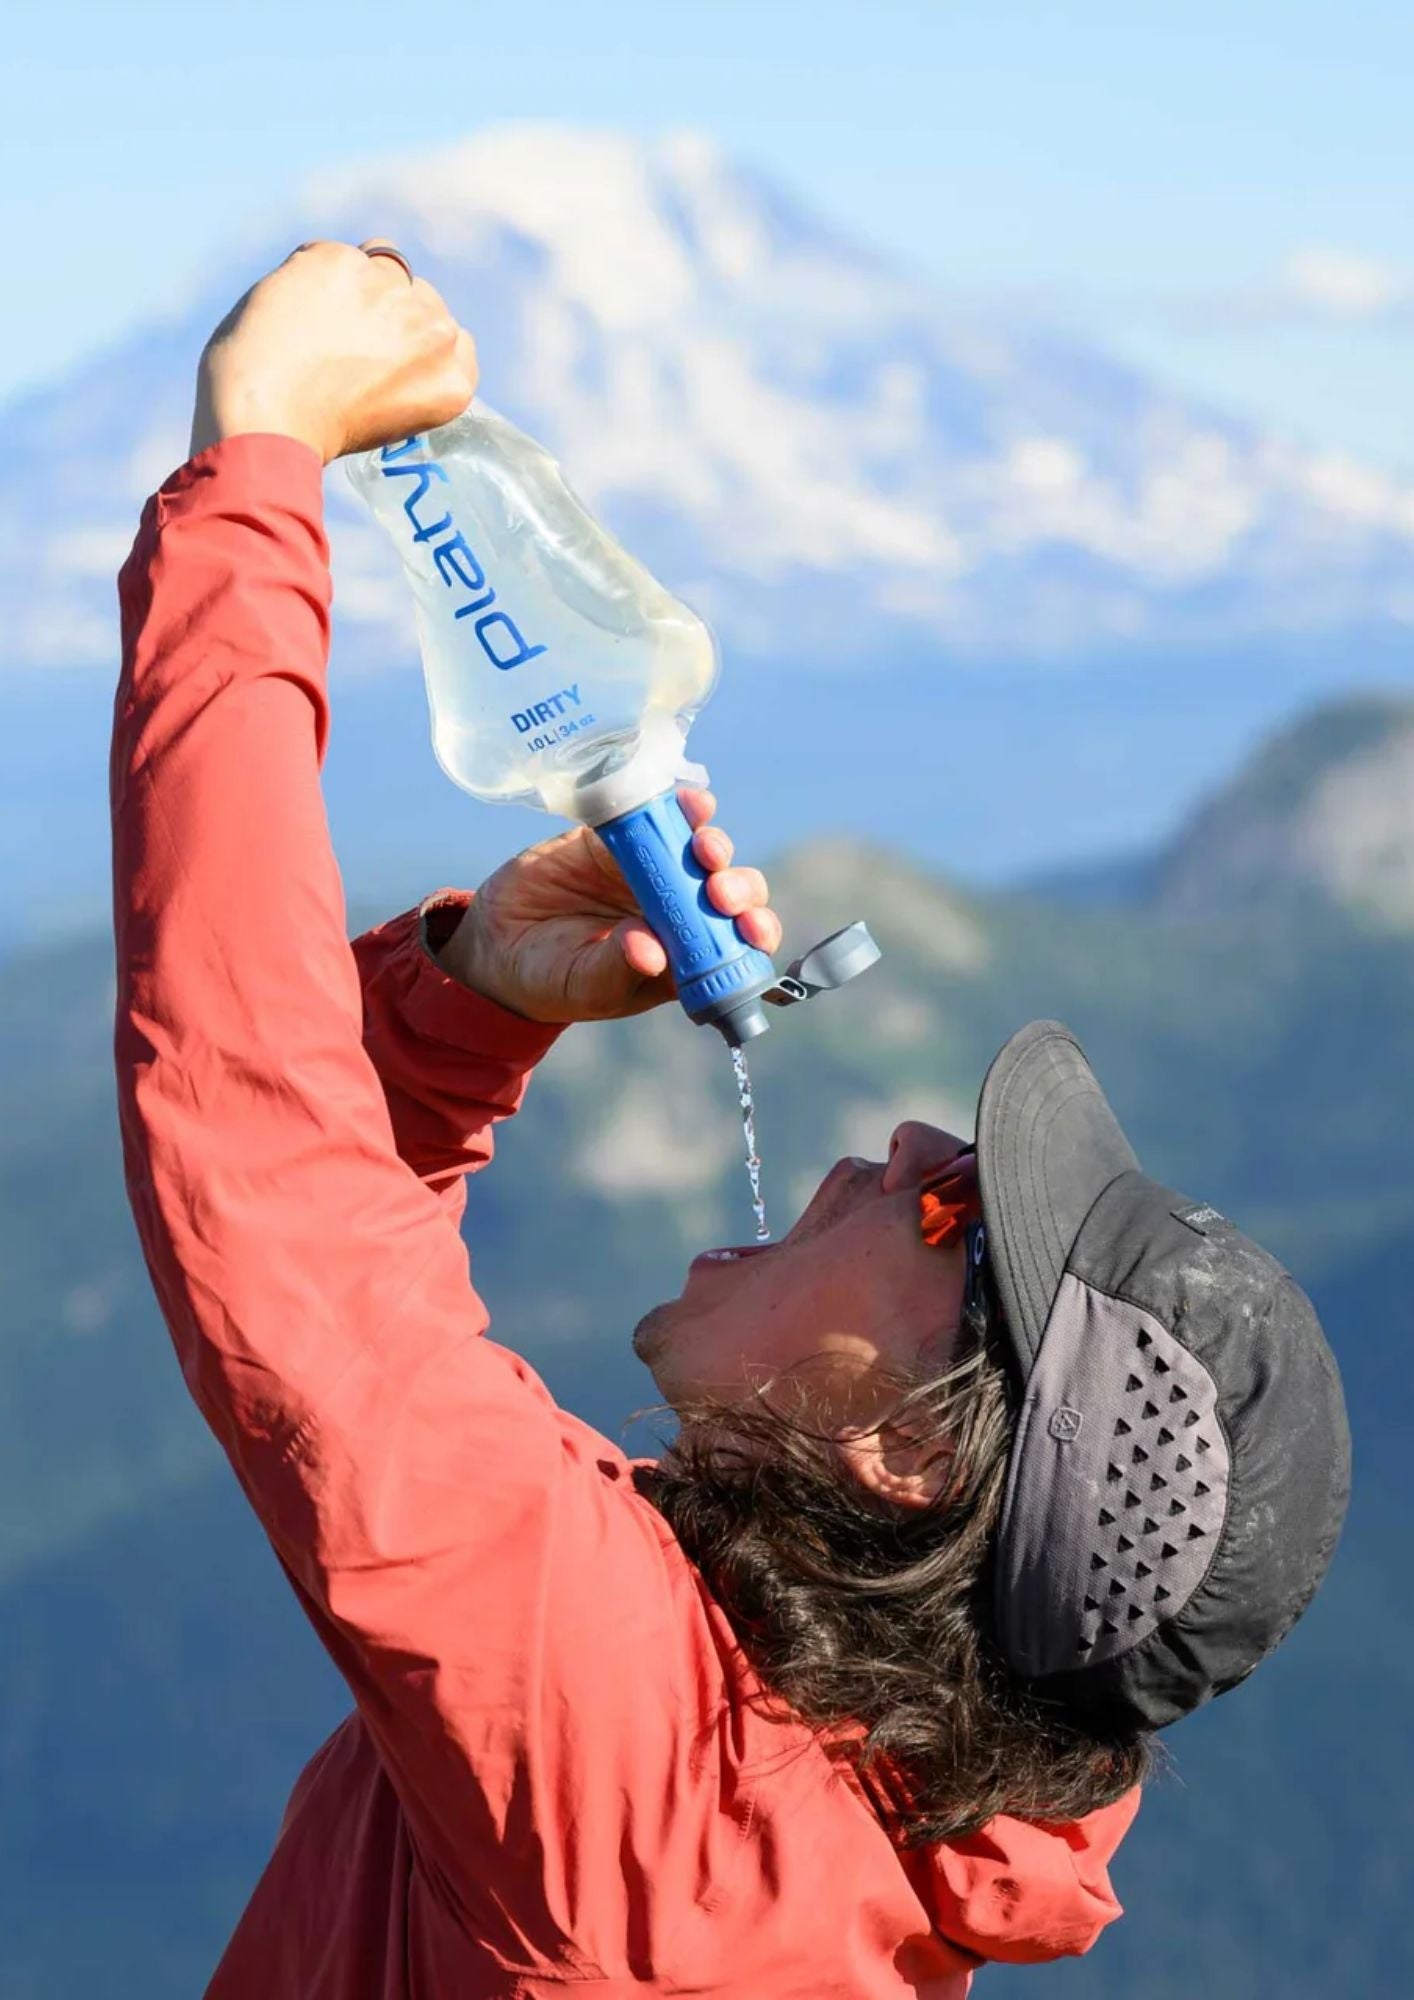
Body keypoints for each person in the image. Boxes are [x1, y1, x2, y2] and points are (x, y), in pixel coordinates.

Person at [111, 241, 1351, 1999]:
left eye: (952, 1215)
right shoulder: (787, 1795)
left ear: (909, 1458)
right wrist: (466, 1007)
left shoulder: (649, 1799)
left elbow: (277, 1214)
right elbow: (330, 1231)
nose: (899, 1151)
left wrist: (252, 477)